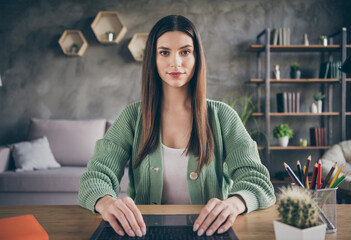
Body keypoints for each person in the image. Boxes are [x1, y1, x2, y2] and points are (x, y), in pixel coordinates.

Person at [78, 15, 275, 238]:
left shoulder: (222, 116)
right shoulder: (132, 117)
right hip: (144, 233)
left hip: (209, 233)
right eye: (164, 52)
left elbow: (258, 181)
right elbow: (95, 176)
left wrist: (235, 203)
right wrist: (106, 202)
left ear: (197, 57)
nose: (176, 63)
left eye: (185, 52)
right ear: (153, 58)